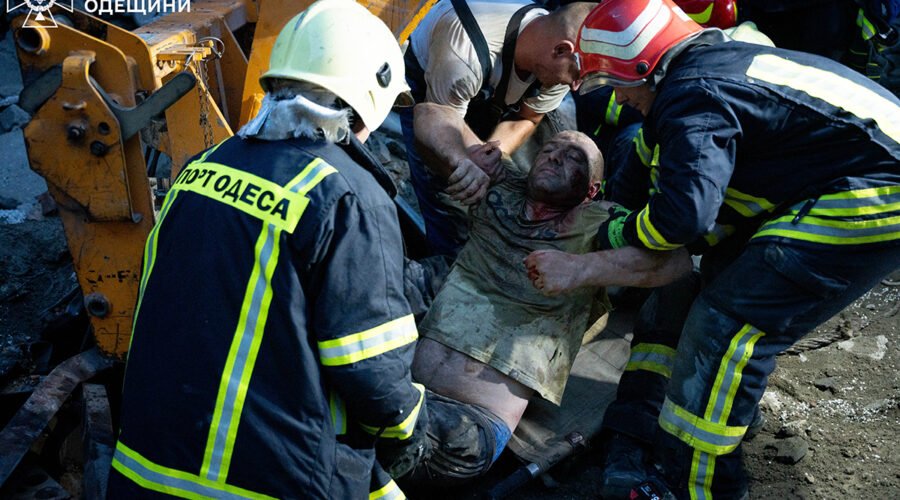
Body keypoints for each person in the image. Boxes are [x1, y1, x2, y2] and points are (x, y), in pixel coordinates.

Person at [525, 0, 900, 497]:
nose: (617, 96)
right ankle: (716, 411)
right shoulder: (701, 69)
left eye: (616, 81)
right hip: (852, 169)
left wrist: (613, 240)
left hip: (876, 188)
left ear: (645, 67)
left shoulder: (693, 96)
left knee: (725, 323)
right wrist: (614, 216)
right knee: (717, 275)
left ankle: (696, 483)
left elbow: (683, 219)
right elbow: (646, 167)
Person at [107, 1, 428, 498]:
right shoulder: (347, 194)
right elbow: (371, 367)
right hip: (266, 480)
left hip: (142, 472)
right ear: (372, 93)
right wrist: (409, 427)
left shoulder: (203, 168)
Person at [400, 107, 691, 487]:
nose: (554, 156)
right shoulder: (502, 184)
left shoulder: (599, 222)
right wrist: (462, 161)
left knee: (372, 431)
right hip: (401, 385)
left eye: (573, 158)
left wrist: (580, 269)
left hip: (468, 427)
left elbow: (677, 262)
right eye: (550, 149)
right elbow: (429, 113)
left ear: (591, 190)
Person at [401, 0, 597, 258]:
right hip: (437, 90)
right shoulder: (465, 50)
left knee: (496, 176)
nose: (575, 87)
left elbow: (528, 118)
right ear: (561, 50)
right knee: (447, 192)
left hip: (489, 91)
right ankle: (446, 259)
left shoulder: (558, 61)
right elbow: (434, 118)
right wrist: (464, 165)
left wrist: (494, 153)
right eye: (577, 75)